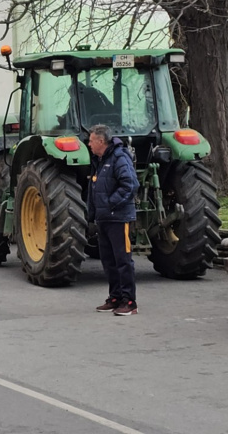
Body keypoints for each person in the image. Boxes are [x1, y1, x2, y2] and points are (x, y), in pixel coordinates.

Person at [87, 124, 140, 316]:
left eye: (91, 140)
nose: (89, 144)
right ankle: (115, 297)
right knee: (109, 261)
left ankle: (129, 302)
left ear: (101, 141)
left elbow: (130, 184)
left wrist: (110, 204)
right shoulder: (100, 160)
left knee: (123, 260)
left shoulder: (119, 157)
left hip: (118, 218)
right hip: (104, 219)